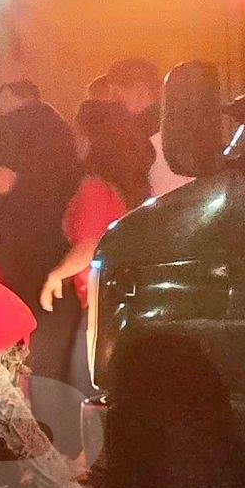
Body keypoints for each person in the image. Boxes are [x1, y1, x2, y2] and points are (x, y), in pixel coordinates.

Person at [0, 77, 82, 445]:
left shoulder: (26, 130)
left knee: (30, 353)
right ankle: (53, 442)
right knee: (44, 354)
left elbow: (2, 183)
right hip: (37, 256)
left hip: (29, 260)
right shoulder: (51, 130)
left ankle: (41, 442)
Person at [39, 100, 153, 424]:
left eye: (78, 132)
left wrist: (56, 275)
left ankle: (88, 464)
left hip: (97, 303)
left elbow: (90, 244)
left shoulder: (94, 186)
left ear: (92, 137)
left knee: (86, 388)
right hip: (126, 300)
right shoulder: (134, 185)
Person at [103, 56, 190, 198]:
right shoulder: (183, 128)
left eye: (117, 95)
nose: (112, 103)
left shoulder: (138, 138)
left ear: (140, 91)